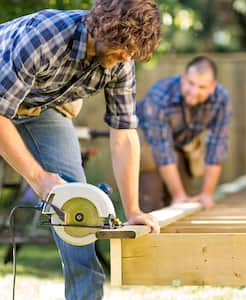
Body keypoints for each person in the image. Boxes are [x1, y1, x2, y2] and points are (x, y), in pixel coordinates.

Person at [0, 1, 161, 299]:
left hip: (38, 108)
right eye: (122, 45)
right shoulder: (44, 40)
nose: (127, 55)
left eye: (134, 50)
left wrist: (134, 209)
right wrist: (39, 178)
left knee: (77, 205)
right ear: (100, 27)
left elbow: (124, 134)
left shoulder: (122, 61)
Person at [137, 56, 232, 212]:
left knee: (186, 203)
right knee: (152, 202)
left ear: (212, 87)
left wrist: (206, 194)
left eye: (202, 87)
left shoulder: (221, 99)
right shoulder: (160, 95)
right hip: (146, 140)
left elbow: (217, 146)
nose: (194, 92)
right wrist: (178, 194)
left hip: (180, 142)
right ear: (183, 78)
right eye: (191, 83)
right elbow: (162, 149)